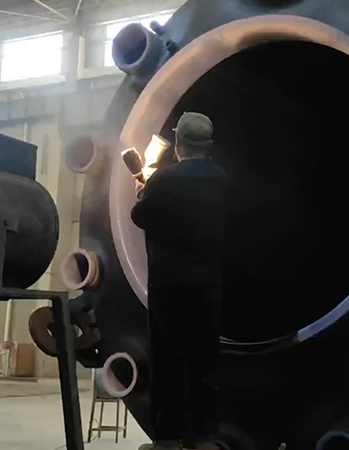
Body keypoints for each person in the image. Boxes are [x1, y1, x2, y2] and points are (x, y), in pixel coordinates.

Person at [131, 112, 226, 450]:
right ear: (208, 146)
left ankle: (168, 439)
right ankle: (205, 437)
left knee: (166, 362)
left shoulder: (163, 180)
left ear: (178, 144)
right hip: (207, 286)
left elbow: (140, 216)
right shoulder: (221, 180)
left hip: (168, 286)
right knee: (204, 363)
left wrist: (142, 191)